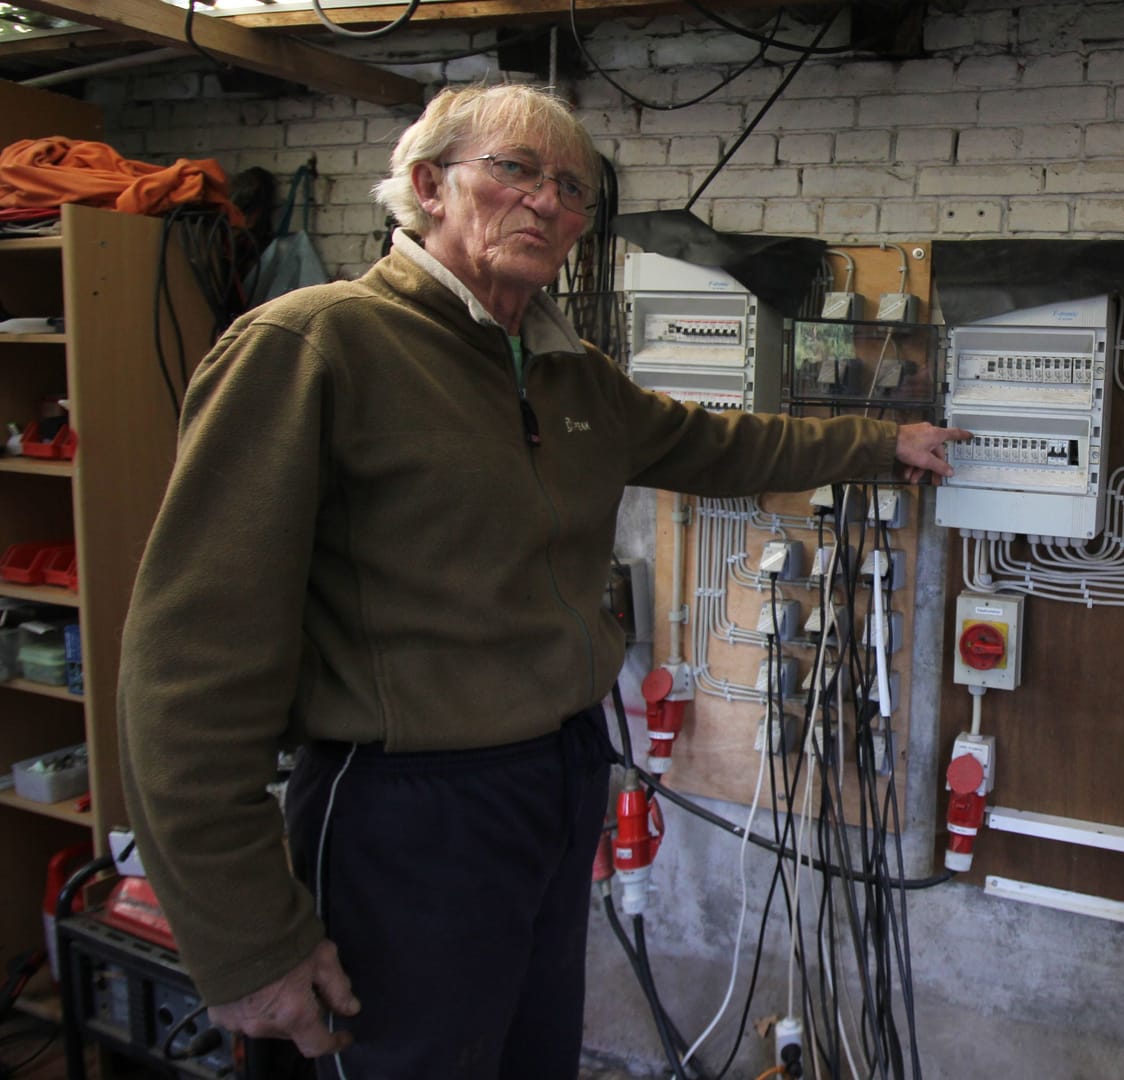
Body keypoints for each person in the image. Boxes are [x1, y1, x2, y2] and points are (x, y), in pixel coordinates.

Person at [118, 82, 967, 1079]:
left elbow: (714, 442)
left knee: (528, 1058)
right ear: (429, 186)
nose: (549, 205)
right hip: (405, 810)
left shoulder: (567, 373)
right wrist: (246, 940)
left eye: (571, 190)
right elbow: (185, 672)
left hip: (555, 778)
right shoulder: (313, 347)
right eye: (515, 170)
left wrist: (880, 443)